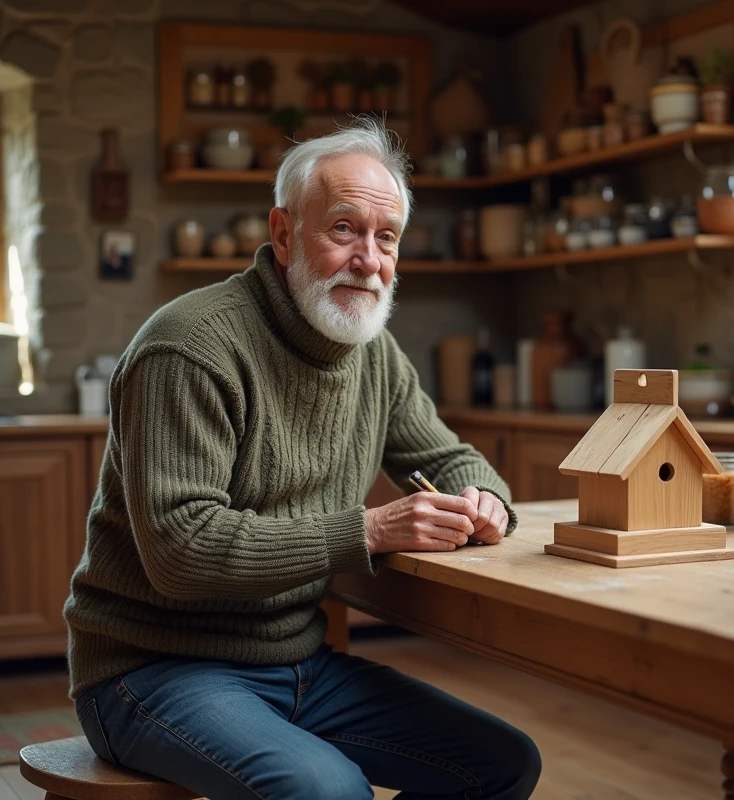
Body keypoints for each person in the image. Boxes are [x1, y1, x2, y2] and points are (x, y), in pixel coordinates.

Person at [63, 117, 542, 800]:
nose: (368, 260)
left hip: (298, 664)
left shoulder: (373, 354)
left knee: (503, 762)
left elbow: (453, 457)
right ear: (284, 234)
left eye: (386, 238)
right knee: (328, 793)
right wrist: (370, 531)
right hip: (150, 670)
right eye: (343, 229)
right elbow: (181, 551)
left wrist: (485, 501)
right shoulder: (190, 346)